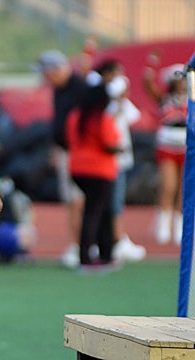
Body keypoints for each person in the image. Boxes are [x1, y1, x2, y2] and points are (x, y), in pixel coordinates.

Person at [35, 49, 86, 268]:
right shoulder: (60, 89)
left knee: (78, 200)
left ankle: (80, 246)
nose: (44, 78)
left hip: (81, 152)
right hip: (67, 151)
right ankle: (80, 245)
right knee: (72, 200)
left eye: (46, 72)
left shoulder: (80, 88)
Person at [65, 81, 122, 272]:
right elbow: (111, 143)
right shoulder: (102, 118)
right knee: (96, 213)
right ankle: (87, 258)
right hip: (100, 170)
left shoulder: (75, 116)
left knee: (98, 211)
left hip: (77, 169)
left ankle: (104, 254)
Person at [96, 59, 147, 262]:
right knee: (110, 202)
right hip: (108, 158)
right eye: (118, 73)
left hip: (118, 158)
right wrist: (117, 99)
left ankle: (113, 240)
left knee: (115, 201)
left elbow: (134, 117)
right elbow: (106, 119)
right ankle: (115, 240)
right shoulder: (99, 95)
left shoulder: (116, 98)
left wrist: (122, 98)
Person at [143, 55, 188, 245]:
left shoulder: (192, 101)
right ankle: (163, 224)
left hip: (187, 147)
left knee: (184, 188)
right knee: (168, 186)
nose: (181, 83)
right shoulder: (164, 99)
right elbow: (147, 82)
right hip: (167, 146)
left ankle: (180, 226)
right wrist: (152, 61)